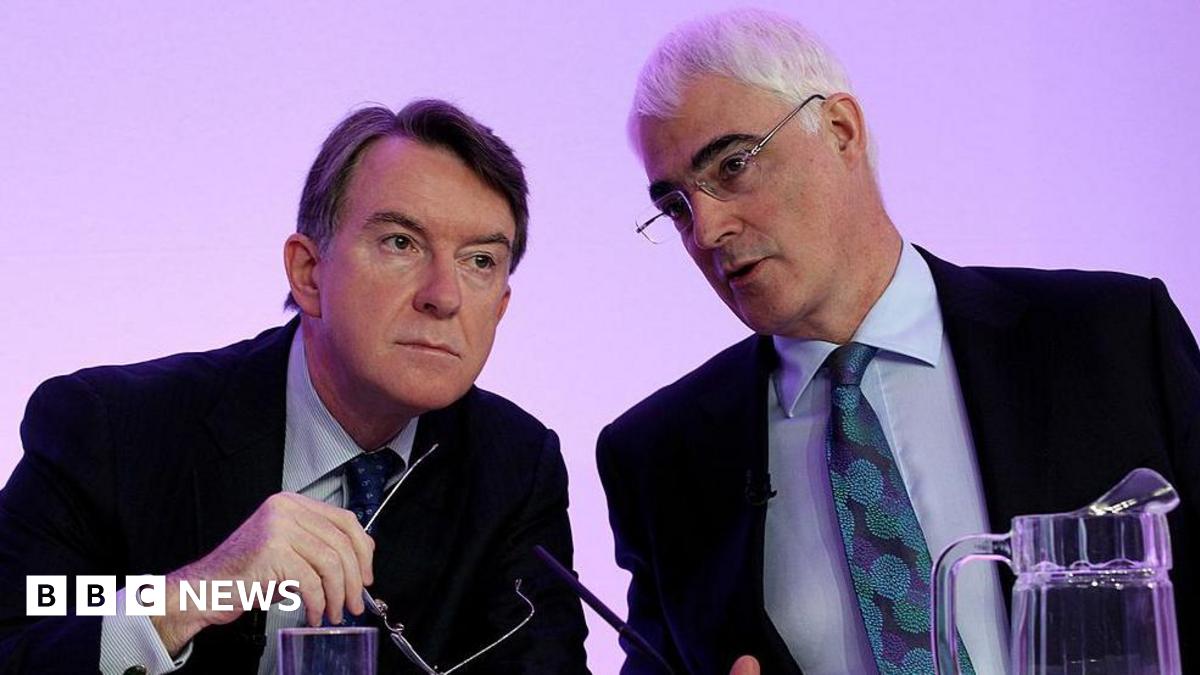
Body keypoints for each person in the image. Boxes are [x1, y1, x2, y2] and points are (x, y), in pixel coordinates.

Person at [597, 10, 1200, 675]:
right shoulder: (659, 458)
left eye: (734, 165)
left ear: (840, 131)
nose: (705, 229)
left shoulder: (1110, 336)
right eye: (676, 204)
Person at [0, 100, 590, 674]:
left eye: (481, 261)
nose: (445, 295)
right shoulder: (111, 429)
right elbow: (35, 612)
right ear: (309, 273)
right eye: (401, 243)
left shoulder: (515, 466)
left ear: (503, 306)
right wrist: (193, 593)